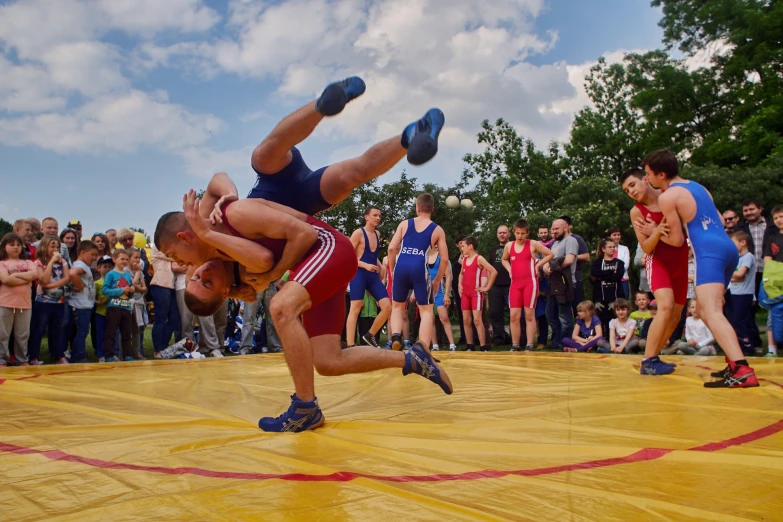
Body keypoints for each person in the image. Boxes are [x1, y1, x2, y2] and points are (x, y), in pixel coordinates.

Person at [155, 191, 452, 432]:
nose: (195, 269)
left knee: (281, 307)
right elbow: (259, 261)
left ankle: (305, 406)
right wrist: (242, 285)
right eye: (205, 281)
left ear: (185, 238)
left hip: (327, 247)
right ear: (223, 292)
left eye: (195, 275)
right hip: (320, 265)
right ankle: (413, 359)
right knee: (328, 362)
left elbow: (302, 235)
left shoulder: (226, 218)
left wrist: (273, 274)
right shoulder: (231, 262)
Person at [205, 77, 444, 225]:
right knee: (351, 175)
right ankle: (412, 134)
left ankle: (324, 103)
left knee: (262, 157)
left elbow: (218, 179)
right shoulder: (243, 277)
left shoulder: (201, 229)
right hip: (302, 206)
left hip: (271, 185)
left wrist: (229, 194)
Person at [646, 148, 758, 387]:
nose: (647, 179)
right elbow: (716, 218)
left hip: (709, 253)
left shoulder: (668, 196)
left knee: (711, 311)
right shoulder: (699, 187)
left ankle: (742, 370)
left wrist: (652, 233)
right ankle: (733, 363)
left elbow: (677, 240)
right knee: (709, 312)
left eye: (648, 174)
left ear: (661, 174)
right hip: (727, 248)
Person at [620, 167, 688, 376]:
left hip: (680, 260)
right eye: (626, 190)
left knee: (676, 315)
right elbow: (647, 247)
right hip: (657, 260)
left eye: (632, 185)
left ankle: (654, 356)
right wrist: (657, 231)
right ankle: (648, 360)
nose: (630, 191)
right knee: (665, 305)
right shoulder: (637, 211)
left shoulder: (670, 196)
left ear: (646, 179)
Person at [387, 194, 450, 351]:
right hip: (419, 269)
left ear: (417, 207)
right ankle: (422, 348)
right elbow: (444, 259)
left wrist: (393, 269)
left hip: (401, 267)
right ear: (432, 210)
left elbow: (391, 248)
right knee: (426, 310)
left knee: (397, 307)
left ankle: (395, 336)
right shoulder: (437, 230)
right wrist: (436, 281)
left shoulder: (404, 224)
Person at [501, 219, 553, 351]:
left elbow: (550, 254)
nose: (520, 236)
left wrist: (538, 264)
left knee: (530, 315)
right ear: (513, 232)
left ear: (528, 233)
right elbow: (504, 259)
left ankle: (530, 344)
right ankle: (515, 344)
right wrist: (509, 269)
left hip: (530, 282)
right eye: (517, 233)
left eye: (523, 233)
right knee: (514, 315)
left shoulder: (533, 244)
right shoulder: (509, 246)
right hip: (515, 284)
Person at [345, 206, 391, 348]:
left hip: (372, 275)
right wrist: (365, 265)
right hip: (359, 273)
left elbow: (372, 255)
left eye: (379, 215)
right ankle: (351, 345)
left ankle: (369, 335)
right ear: (366, 217)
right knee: (355, 308)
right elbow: (348, 257)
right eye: (375, 215)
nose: (378, 218)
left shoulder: (377, 234)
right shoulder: (358, 233)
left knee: (387, 307)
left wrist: (380, 266)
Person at [28, 235, 71, 365]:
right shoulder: (38, 262)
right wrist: (51, 262)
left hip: (59, 301)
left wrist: (51, 286)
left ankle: (58, 355)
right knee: (39, 328)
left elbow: (66, 278)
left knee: (57, 328)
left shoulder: (63, 262)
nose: (55, 248)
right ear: (44, 246)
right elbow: (43, 280)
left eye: (57, 246)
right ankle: (33, 356)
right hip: (43, 301)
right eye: (52, 246)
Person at [0, 233, 38, 366]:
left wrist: (14, 276)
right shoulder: (2, 263)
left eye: (18, 245)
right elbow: (5, 279)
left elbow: (35, 274)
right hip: (5, 303)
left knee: (22, 334)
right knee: (3, 333)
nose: (16, 247)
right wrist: (24, 277)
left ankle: (21, 359)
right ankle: (2, 359)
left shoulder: (28, 262)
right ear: (4, 247)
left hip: (25, 304)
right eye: (12, 244)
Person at [457, 236, 497, 351]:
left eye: (463, 246)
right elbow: (461, 273)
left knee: (477, 320)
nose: (462, 249)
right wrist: (459, 285)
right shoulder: (464, 259)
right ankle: (470, 345)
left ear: (471, 246)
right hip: (465, 293)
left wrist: (487, 287)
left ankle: (483, 346)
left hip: (476, 294)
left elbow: (493, 271)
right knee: (466, 320)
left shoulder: (479, 259)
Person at [62, 240, 99, 363]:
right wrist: (81, 285)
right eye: (92, 254)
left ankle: (76, 353)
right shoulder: (81, 265)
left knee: (80, 330)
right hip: (81, 305)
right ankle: (79, 355)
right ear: (83, 252)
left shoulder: (83, 266)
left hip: (83, 303)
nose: (94, 258)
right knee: (82, 331)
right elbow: (72, 273)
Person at [543, 219, 577, 349]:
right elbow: (549, 259)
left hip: (565, 283)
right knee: (550, 313)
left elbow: (569, 260)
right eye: (552, 229)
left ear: (566, 228)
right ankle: (557, 340)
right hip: (553, 284)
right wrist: (546, 266)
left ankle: (565, 342)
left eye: (556, 229)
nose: (553, 232)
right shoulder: (554, 243)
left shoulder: (571, 241)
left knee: (564, 315)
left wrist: (551, 268)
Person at [102, 249, 136, 362]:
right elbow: (105, 290)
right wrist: (121, 290)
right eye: (122, 259)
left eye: (127, 259)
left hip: (126, 307)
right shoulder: (111, 274)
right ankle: (109, 356)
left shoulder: (127, 275)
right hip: (114, 307)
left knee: (127, 333)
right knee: (111, 333)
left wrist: (131, 291)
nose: (125, 261)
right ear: (114, 259)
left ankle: (127, 355)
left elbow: (130, 294)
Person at [590, 237, 625, 333]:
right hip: (600, 299)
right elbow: (594, 274)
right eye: (610, 247)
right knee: (600, 321)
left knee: (613, 322)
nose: (612, 249)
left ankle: (613, 341)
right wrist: (610, 272)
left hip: (615, 298)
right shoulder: (597, 263)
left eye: (614, 247)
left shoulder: (620, 263)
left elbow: (617, 277)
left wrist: (602, 275)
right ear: (603, 249)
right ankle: (600, 341)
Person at [762, 204, 783, 357]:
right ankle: (771, 348)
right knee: (772, 313)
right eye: (776, 218)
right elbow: (768, 260)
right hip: (776, 281)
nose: (779, 220)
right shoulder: (772, 238)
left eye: (781, 216)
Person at [428, 244, 456, 351]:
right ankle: (435, 345)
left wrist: (446, 294)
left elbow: (448, 276)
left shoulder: (441, 258)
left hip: (438, 291)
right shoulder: (423, 257)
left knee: (444, 317)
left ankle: (452, 345)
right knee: (429, 319)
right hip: (427, 292)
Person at [489, 225, 512, 345]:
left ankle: (516, 338)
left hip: (511, 285)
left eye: (504, 232)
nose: (502, 235)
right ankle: (499, 338)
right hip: (495, 286)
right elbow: (489, 268)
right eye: (499, 233)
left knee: (514, 313)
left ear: (509, 234)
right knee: (495, 313)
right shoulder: (493, 250)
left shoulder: (514, 247)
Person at [93, 256, 113, 362]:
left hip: (113, 313)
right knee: (101, 334)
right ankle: (101, 354)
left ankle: (112, 353)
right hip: (100, 313)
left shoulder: (115, 282)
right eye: (105, 267)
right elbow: (91, 298)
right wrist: (99, 302)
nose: (108, 269)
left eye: (110, 267)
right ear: (99, 268)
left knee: (112, 334)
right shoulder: (96, 283)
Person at [607, 227, 631, 298]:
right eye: (614, 235)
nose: (617, 237)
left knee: (623, 302)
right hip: (609, 280)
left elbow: (626, 265)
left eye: (618, 235)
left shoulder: (625, 249)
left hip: (623, 280)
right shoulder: (605, 249)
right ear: (609, 236)